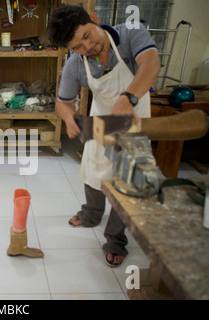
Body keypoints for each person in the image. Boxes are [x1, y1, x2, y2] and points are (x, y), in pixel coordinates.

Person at [47, 6, 160, 266]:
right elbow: (63, 101)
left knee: (127, 182)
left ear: (95, 19)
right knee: (94, 171)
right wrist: (68, 118)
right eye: (77, 46)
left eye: (87, 36)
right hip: (100, 126)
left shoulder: (131, 34)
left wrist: (128, 98)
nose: (87, 47)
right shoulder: (76, 63)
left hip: (134, 125)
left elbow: (151, 64)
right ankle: (91, 214)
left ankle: (115, 239)